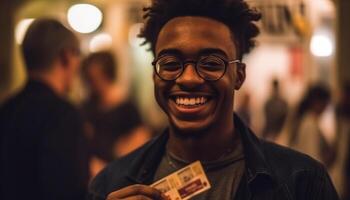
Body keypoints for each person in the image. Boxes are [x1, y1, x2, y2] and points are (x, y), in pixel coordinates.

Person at [88, 0, 339, 199]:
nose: (188, 79)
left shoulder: (301, 182)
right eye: (171, 63)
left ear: (238, 75)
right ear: (155, 75)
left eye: (210, 63)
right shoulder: (111, 185)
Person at [0, 18, 89, 200]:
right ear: (66, 56)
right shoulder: (63, 114)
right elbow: (70, 190)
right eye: (77, 54)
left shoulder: (6, 109)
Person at [80, 51, 151, 177]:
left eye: (96, 77)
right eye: (90, 78)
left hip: (119, 172)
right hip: (93, 172)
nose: (92, 83)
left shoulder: (126, 106)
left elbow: (141, 137)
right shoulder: (87, 106)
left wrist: (117, 159)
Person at [290, 85, 335, 167]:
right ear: (317, 102)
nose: (326, 107)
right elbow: (312, 157)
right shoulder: (310, 124)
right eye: (325, 103)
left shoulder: (308, 121)